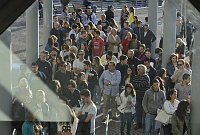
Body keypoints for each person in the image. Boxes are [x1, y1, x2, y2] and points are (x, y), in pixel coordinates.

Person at [132, 64, 150, 130]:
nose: (137, 71)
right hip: (137, 97)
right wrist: (137, 85)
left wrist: (137, 85)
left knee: (144, 111)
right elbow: (133, 84)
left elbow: (141, 85)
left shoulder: (146, 77)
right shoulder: (136, 76)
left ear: (142, 70)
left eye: (138, 69)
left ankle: (144, 124)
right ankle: (138, 123)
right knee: (138, 111)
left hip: (144, 97)